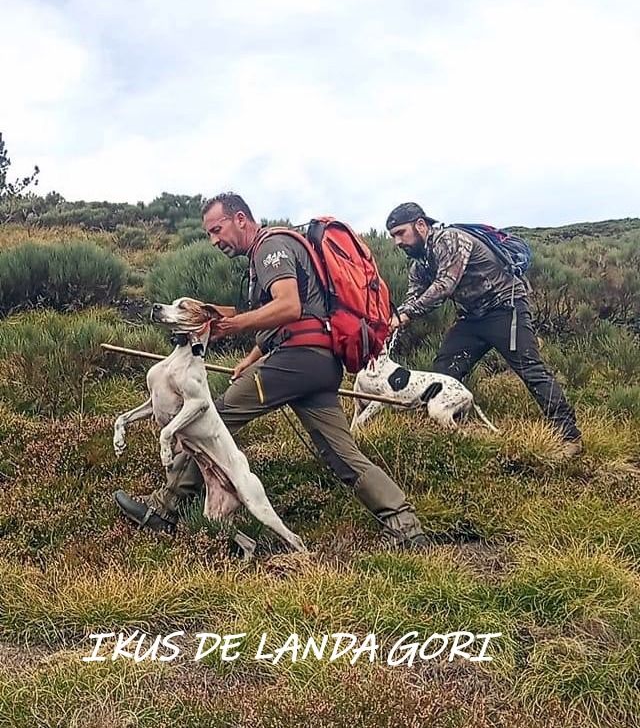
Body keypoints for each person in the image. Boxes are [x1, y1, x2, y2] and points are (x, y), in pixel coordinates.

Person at [115, 192, 427, 548]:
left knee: (215, 415)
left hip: (297, 360)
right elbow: (296, 316)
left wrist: (236, 326)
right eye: (209, 234)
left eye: (217, 229)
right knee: (340, 452)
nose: (214, 240)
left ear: (241, 220)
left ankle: (163, 509)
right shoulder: (276, 248)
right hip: (321, 363)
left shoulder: (270, 247)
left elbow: (289, 306)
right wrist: (253, 356)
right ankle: (404, 525)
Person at [385, 202, 583, 459]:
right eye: (392, 236)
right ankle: (450, 426)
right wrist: (392, 320)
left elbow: (444, 285)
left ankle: (569, 437)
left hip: (505, 308)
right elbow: (414, 297)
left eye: (401, 233)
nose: (397, 242)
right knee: (445, 370)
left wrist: (405, 315)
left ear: (421, 225)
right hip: (472, 318)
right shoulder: (419, 265)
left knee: (531, 370)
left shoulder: (450, 239)